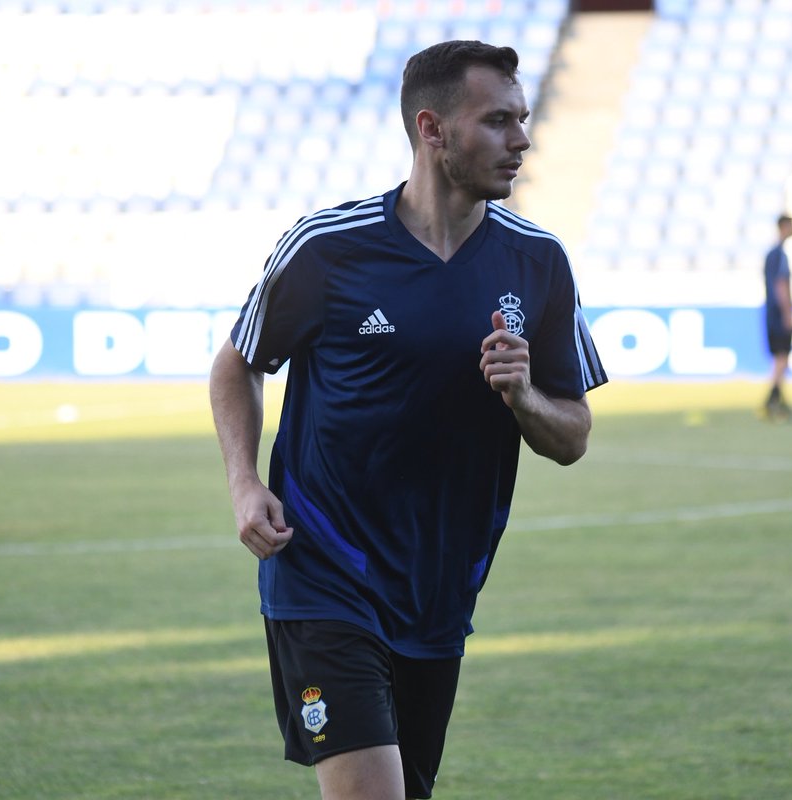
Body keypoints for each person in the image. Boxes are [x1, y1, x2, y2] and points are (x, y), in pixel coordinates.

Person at [209, 40, 607, 800]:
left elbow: (574, 436)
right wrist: (243, 482)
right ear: (432, 129)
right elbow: (238, 363)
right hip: (323, 569)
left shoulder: (539, 262)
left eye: (522, 119)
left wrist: (524, 398)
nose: (522, 139)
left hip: (441, 589)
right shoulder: (328, 249)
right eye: (497, 121)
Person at [762, 213, 792, 421]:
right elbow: (781, 285)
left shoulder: (772, 254)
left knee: (780, 359)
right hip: (778, 314)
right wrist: (788, 313)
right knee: (782, 358)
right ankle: (771, 401)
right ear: (784, 226)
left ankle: (777, 400)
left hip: (771, 313)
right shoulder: (780, 255)